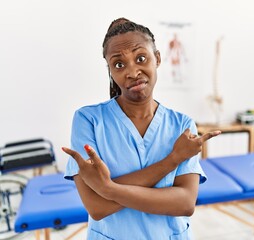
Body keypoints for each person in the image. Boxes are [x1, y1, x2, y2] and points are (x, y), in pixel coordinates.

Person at [62, 17, 221, 240]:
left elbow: (185, 203)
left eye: (141, 58)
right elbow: (97, 207)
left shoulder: (182, 125)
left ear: (157, 58)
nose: (132, 72)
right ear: (110, 70)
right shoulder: (88, 120)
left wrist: (108, 189)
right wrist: (173, 159)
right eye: (119, 64)